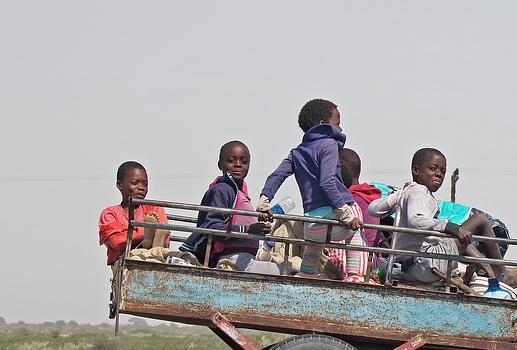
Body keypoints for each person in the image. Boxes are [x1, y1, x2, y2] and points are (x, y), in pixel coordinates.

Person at [256, 98, 364, 278]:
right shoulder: (328, 144)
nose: (340, 129)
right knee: (355, 234)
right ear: (323, 124)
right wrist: (345, 214)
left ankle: (305, 279)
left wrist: (264, 201)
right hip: (333, 219)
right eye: (337, 123)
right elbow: (327, 182)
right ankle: (356, 277)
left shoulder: (297, 152)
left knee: (310, 261)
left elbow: (276, 176)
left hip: (311, 225)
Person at [367, 148, 505, 286]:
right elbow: (416, 220)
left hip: (412, 268)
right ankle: (502, 275)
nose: (439, 174)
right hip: (426, 263)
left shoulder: (408, 192)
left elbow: (373, 209)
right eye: (433, 168)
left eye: (442, 171)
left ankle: (486, 267)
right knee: (480, 220)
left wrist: (396, 197)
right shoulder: (419, 192)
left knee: (459, 235)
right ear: (416, 170)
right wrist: (449, 226)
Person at [179, 141, 278, 274]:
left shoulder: (240, 191)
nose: (238, 164)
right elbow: (212, 225)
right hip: (232, 259)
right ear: (220, 164)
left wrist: (257, 223)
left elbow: (236, 220)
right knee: (290, 273)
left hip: (245, 258)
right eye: (231, 160)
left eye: (244, 161)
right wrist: (248, 229)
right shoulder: (223, 189)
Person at [98, 161, 171, 268]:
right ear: (120, 185)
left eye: (145, 184)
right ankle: (147, 239)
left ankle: (150, 245)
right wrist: (145, 230)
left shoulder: (154, 208)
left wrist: (135, 233)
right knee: (155, 231)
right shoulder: (110, 213)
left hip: (156, 255)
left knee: (161, 235)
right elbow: (116, 241)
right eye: (135, 183)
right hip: (125, 261)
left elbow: (166, 236)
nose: (141, 187)